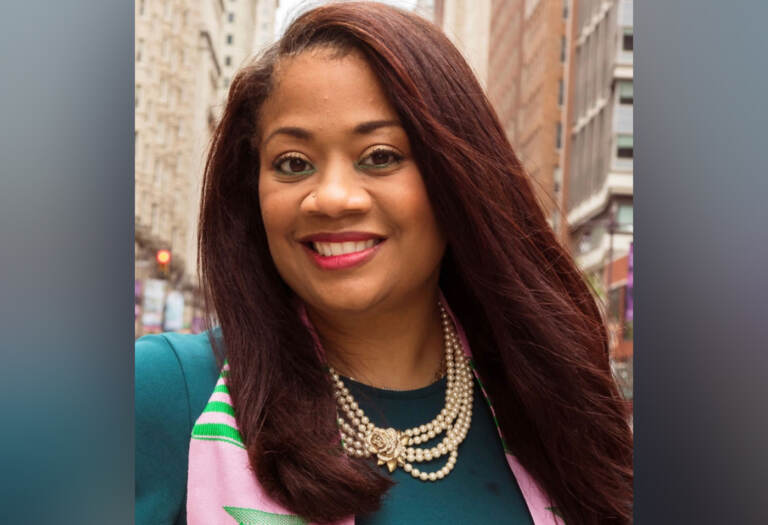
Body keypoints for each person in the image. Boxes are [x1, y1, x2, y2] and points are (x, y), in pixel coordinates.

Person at [135, 3, 633, 524]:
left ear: (455, 179)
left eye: (380, 156)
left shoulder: (550, 408)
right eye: (293, 164)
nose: (331, 198)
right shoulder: (168, 393)